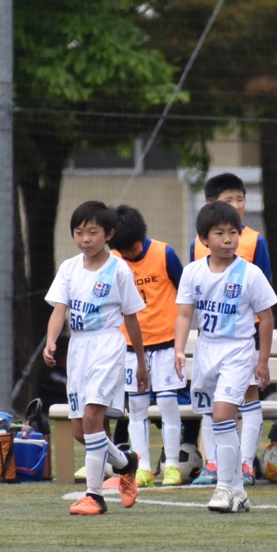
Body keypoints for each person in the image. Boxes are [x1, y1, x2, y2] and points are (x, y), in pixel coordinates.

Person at [43, 201, 146, 516]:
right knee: (81, 432)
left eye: (92, 232)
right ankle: (126, 463)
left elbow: (131, 318)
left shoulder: (119, 270)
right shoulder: (69, 268)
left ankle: (95, 496)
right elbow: (59, 309)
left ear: (108, 234)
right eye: (79, 232)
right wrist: (51, 342)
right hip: (79, 350)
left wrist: (141, 361)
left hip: (107, 347)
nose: (85, 239)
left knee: (92, 420)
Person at [175, 202, 277, 513]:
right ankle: (238, 491)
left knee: (222, 415)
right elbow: (183, 314)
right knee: (216, 419)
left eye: (233, 232)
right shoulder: (192, 272)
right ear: (204, 238)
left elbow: (267, 318)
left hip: (238, 351)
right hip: (206, 352)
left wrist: (261, 361)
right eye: (219, 233)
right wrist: (180, 349)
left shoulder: (250, 273)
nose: (228, 239)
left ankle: (222, 487)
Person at [190, 173, 272, 486]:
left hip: (242, 338)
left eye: (241, 199)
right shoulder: (196, 250)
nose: (237, 205)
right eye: (229, 200)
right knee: (214, 407)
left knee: (246, 399)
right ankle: (215, 465)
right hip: (211, 341)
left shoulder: (253, 240)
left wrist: (260, 354)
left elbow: (263, 298)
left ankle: (245, 464)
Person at [109, 205, 186, 487]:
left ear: (140, 240)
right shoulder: (114, 260)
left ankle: (173, 466)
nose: (127, 256)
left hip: (165, 343)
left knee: (167, 403)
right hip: (130, 347)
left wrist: (181, 339)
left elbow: (184, 292)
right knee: (138, 407)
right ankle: (142, 467)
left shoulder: (164, 254)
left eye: (130, 250)